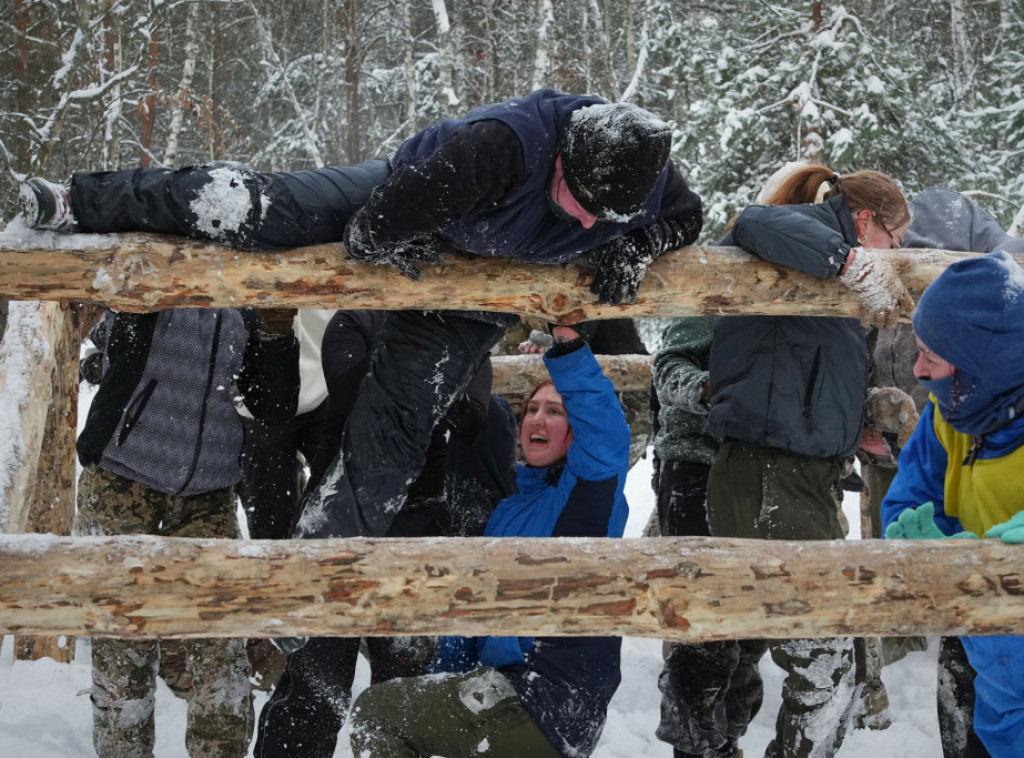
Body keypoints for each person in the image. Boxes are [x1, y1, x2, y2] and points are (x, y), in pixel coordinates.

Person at [20, 89, 701, 560]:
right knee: (261, 210)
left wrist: (635, 247)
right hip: (406, 217)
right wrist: (419, 255)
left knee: (396, 434)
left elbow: (687, 218)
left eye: (603, 220)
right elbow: (372, 233)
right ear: (562, 159)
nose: (586, 224)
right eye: (579, 206)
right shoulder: (497, 149)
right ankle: (81, 200)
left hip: (482, 288)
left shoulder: (642, 180)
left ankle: (312, 576)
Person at [666, 163, 912, 758]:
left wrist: (859, 422)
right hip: (767, 474)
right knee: (820, 666)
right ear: (863, 220)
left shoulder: (830, 284)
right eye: (895, 239)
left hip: (809, 478)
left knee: (828, 668)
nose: (898, 253)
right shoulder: (802, 244)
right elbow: (752, 220)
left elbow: (804, 381)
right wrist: (854, 264)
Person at [346, 324, 629, 758]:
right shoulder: (508, 512)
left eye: (556, 412)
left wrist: (570, 348)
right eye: (532, 409)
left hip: (550, 698)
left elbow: (607, 438)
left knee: (375, 713)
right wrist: (442, 676)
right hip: (503, 690)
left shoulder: (588, 500)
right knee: (405, 707)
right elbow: (473, 618)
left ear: (578, 432)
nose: (537, 418)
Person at [254, 309, 518, 758]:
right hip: (338, 525)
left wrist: (407, 374)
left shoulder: (460, 332)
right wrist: (431, 367)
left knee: (401, 697)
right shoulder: (354, 320)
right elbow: (351, 390)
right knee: (314, 695)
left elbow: (471, 418)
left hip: (414, 538)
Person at [72, 305, 298, 758]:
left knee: (223, 656)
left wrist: (276, 332)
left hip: (208, 493)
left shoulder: (247, 286)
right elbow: (111, 335)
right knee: (123, 652)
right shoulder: (160, 261)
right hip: (124, 479)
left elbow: (272, 403)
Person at [873, 187, 1024, 757]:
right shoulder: (947, 413)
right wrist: (928, 538)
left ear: (981, 360)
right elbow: (907, 500)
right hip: (977, 635)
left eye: (933, 355)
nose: (918, 369)